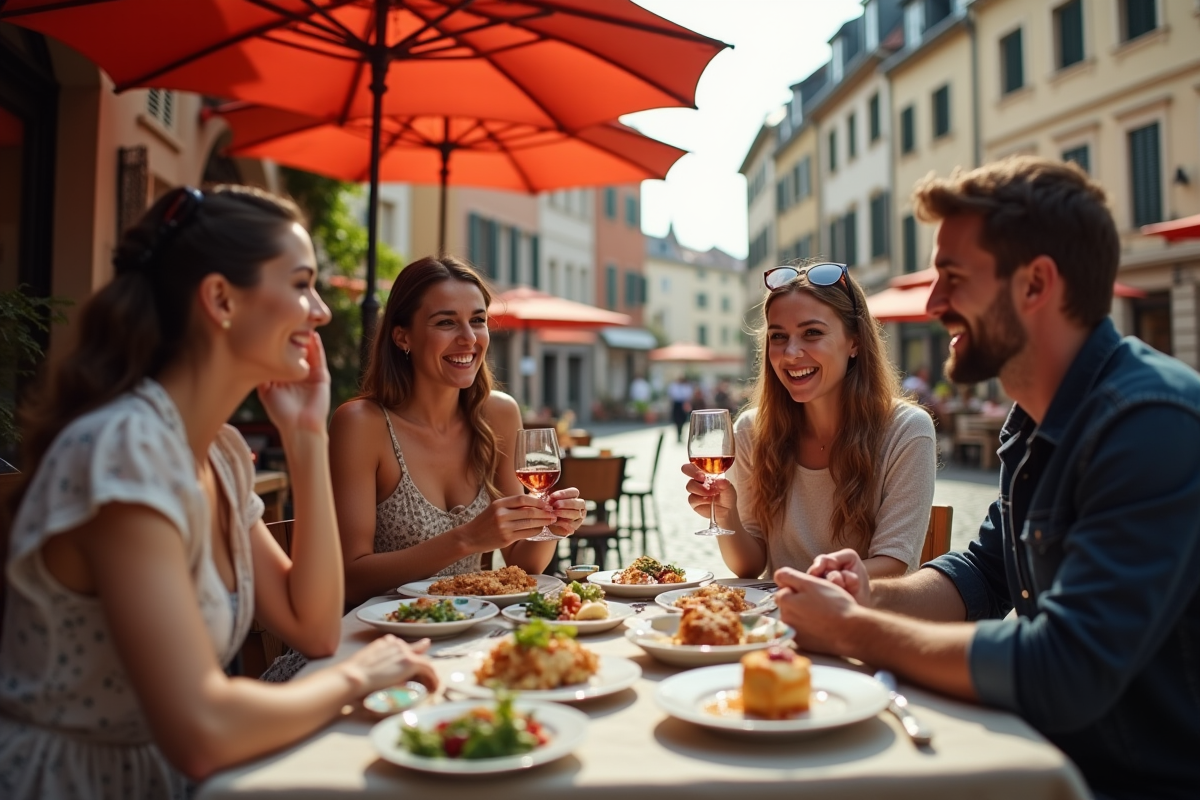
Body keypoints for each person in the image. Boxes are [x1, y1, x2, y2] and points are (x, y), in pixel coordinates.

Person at [773, 157, 1200, 800]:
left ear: (1035, 284)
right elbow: (984, 574)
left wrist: (854, 629)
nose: (935, 302)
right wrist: (866, 594)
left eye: (953, 278)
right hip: (1037, 752)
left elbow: (1065, 666)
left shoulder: (1150, 424)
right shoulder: (1033, 422)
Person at [0, 186, 436, 800]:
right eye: (302, 283)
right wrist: (359, 678)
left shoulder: (218, 455)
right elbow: (202, 729)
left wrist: (306, 434)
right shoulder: (127, 448)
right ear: (221, 299)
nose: (321, 311)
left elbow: (314, 630)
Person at [328, 255, 585, 609]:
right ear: (403, 336)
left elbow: (520, 565)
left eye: (478, 321)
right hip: (377, 639)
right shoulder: (361, 423)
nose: (468, 338)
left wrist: (552, 527)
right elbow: (350, 580)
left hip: (465, 631)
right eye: (446, 322)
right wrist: (467, 539)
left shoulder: (499, 413)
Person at [683, 261, 936, 579]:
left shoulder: (907, 431)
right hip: (777, 624)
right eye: (778, 336)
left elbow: (893, 566)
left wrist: (806, 587)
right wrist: (726, 515)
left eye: (812, 333)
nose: (790, 353)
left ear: (854, 341)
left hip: (862, 620)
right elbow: (750, 566)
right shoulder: (750, 431)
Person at [667, 375, 692, 443]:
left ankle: (681, 434)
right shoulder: (674, 386)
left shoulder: (686, 386)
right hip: (676, 404)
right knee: (677, 420)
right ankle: (678, 435)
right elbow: (672, 395)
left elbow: (688, 395)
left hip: (683, 404)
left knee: (683, 420)